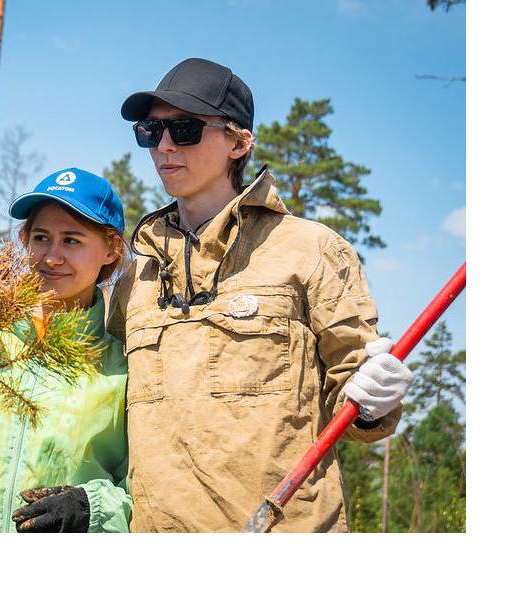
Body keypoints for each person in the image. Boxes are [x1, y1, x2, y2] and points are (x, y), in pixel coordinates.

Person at [109, 58, 414, 532]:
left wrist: (374, 405)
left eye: (185, 129)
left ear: (239, 141)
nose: (164, 146)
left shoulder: (312, 249)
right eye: (151, 131)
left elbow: (354, 409)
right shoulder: (137, 278)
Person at [0, 168, 131, 533]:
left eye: (72, 241)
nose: (51, 257)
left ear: (111, 249)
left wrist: (94, 509)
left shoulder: (124, 369)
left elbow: (147, 494)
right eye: (41, 237)